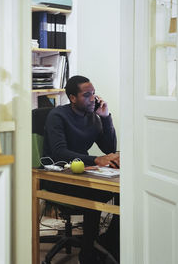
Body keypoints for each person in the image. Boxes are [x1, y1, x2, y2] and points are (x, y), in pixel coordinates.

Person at [42, 75, 120, 264]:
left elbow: (109, 148)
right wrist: (96, 159)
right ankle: (87, 254)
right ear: (72, 98)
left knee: (123, 191)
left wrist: (106, 118)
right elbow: (59, 152)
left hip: (82, 173)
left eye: (93, 94)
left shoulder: (93, 118)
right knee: (93, 195)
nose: (93, 98)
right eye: (87, 95)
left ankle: (109, 241)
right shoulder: (58, 116)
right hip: (57, 176)